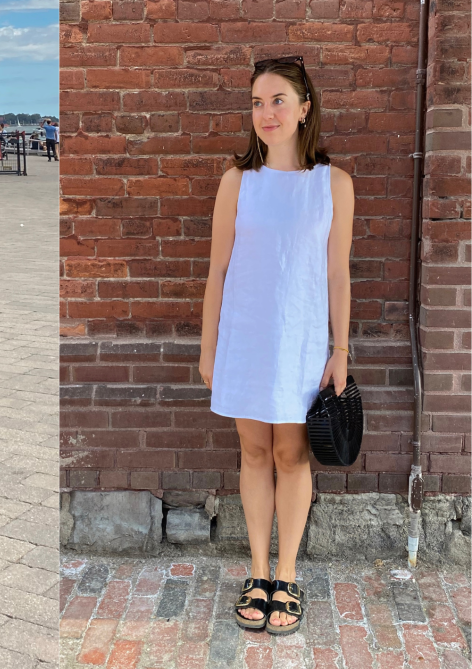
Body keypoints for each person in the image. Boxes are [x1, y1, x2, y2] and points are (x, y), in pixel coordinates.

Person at [199, 55, 354, 636]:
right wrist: (209, 347)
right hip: (245, 338)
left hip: (302, 343)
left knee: (291, 453)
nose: (266, 113)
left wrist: (341, 351)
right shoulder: (237, 182)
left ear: (304, 108)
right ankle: (258, 572)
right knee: (254, 452)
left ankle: (287, 575)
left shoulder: (332, 185)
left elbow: (338, 274)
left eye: (278, 101)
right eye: (258, 103)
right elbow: (217, 271)